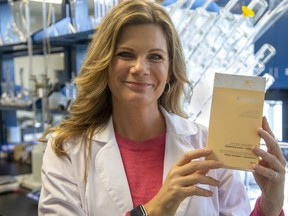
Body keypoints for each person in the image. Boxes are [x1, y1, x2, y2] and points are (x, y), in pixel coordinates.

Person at [38, 0, 286, 215]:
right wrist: (157, 209)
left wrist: (270, 205)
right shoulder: (67, 150)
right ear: (104, 64)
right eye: (125, 54)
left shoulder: (207, 145)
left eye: (155, 57)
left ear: (170, 72)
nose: (140, 68)